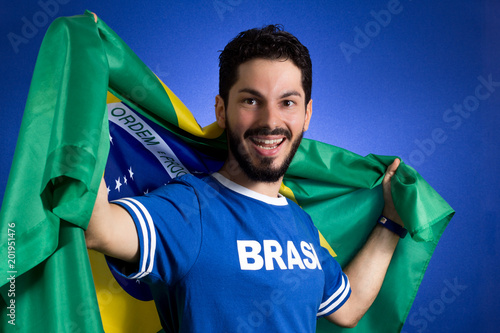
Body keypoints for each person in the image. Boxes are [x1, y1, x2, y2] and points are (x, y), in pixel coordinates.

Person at [85, 24, 405, 332]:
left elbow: (347, 308)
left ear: (306, 114)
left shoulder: (301, 222)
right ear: (222, 111)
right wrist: (86, 77)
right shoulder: (191, 207)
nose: (270, 121)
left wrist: (391, 223)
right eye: (251, 101)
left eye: (287, 102)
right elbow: (99, 229)